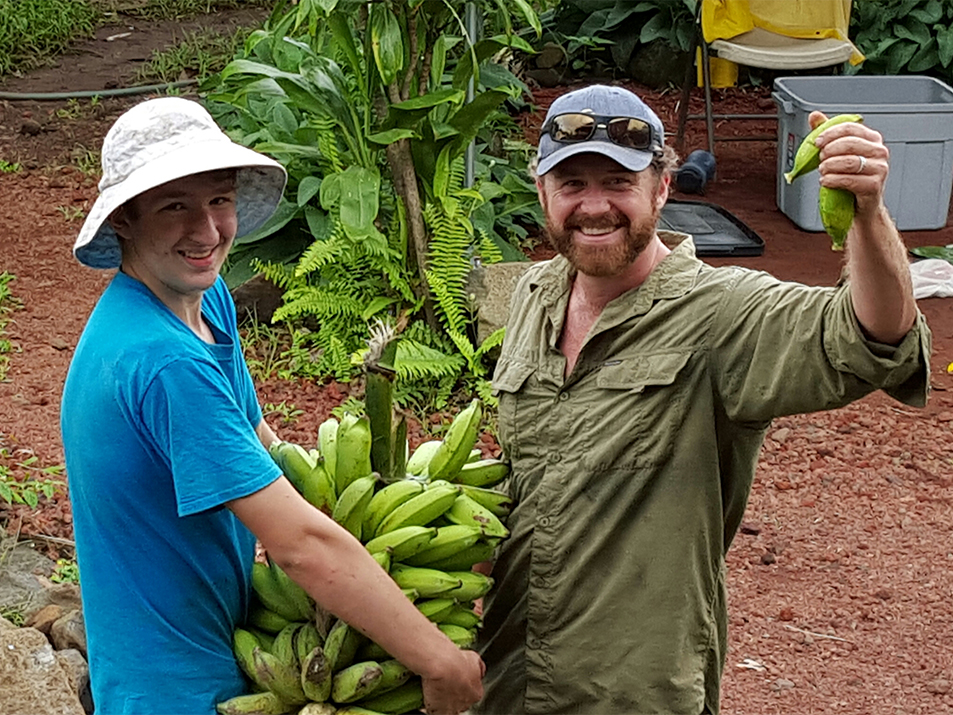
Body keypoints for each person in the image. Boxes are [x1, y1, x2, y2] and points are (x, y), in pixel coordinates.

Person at [474, 84, 931, 714]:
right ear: (543, 194)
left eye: (618, 181)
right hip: (507, 668)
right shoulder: (535, 293)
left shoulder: (722, 312)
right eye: (572, 183)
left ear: (661, 189)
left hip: (633, 686)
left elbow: (873, 337)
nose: (595, 205)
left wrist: (868, 212)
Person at [60, 97, 484, 715]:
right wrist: (441, 662)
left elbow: (261, 442)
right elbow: (297, 546)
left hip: (218, 643)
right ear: (125, 218)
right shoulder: (163, 363)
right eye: (175, 206)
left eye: (219, 201)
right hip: (174, 686)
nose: (206, 232)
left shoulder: (204, 307)